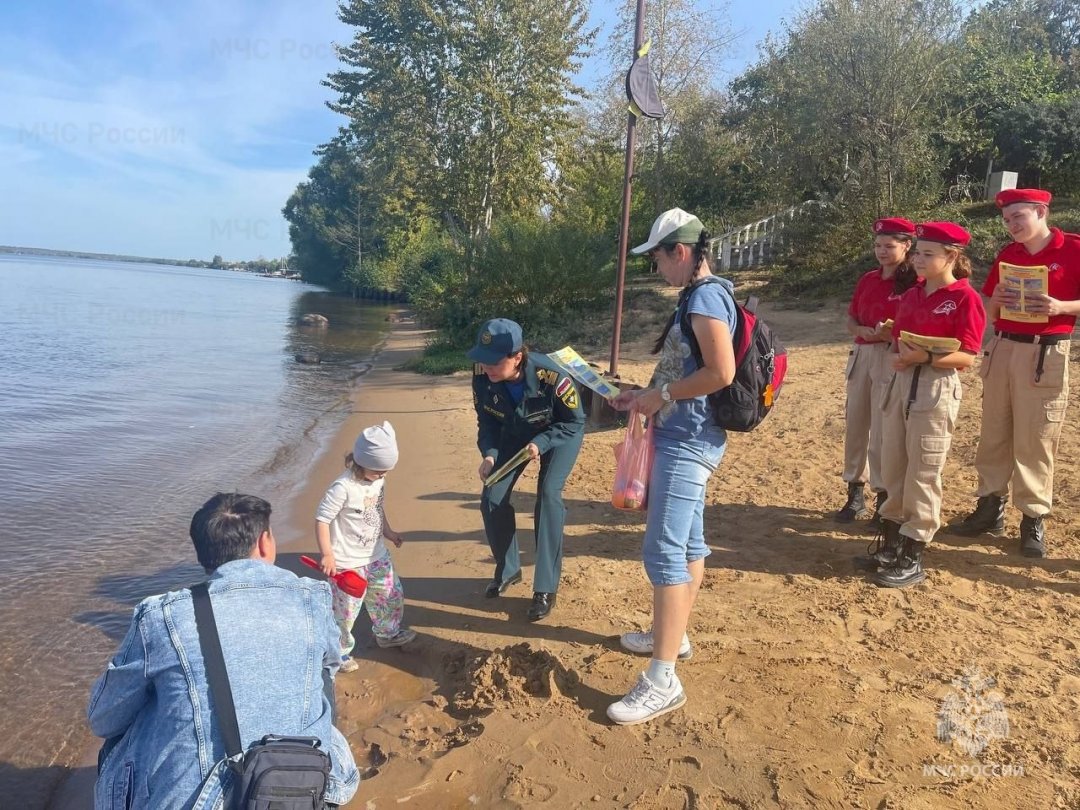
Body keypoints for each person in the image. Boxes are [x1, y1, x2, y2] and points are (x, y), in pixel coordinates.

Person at [88, 493, 359, 809]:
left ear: (204, 555)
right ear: (264, 543)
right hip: (307, 782)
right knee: (320, 676)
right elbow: (330, 668)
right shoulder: (314, 598)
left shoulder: (164, 615)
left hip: (199, 801)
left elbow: (103, 719)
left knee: (139, 709)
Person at [607, 208, 737, 725]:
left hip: (689, 441)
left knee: (662, 552)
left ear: (679, 252)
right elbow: (685, 370)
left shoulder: (705, 297)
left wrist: (659, 395)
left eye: (658, 258)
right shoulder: (699, 295)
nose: (656, 269)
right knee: (687, 546)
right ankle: (673, 635)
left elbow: (720, 372)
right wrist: (642, 396)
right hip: (684, 433)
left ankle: (662, 680)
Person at [948, 189, 1080, 557]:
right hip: (1003, 347)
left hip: (1045, 351)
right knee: (994, 433)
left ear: (1041, 211)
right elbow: (989, 309)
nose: (1012, 225)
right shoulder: (1009, 255)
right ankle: (990, 507)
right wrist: (997, 303)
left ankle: (1032, 517)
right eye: (1007, 220)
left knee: (1036, 437)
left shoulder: (1073, 249)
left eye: (1018, 217)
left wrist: (1061, 305)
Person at [858, 222, 986, 588]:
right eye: (918, 253)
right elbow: (898, 340)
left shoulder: (965, 298)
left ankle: (914, 552)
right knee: (894, 463)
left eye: (928, 254)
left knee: (924, 470)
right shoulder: (913, 294)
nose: (918, 260)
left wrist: (924, 358)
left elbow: (968, 356)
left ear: (952, 256)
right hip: (901, 383)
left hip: (933, 387)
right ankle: (892, 543)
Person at [468, 318, 585, 622]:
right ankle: (508, 570)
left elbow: (573, 422)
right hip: (515, 432)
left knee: (548, 496)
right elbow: (489, 422)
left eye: (493, 362)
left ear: (517, 357)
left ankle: (545, 588)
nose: (486, 367)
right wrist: (490, 456)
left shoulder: (553, 377)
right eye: (482, 359)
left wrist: (541, 443)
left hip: (558, 434)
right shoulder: (483, 376)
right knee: (492, 497)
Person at [836, 217, 919, 525]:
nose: (882, 252)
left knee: (885, 430)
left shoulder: (913, 283)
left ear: (907, 246)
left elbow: (916, 324)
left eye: (889, 246)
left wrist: (890, 334)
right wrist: (863, 330)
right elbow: (851, 319)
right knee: (856, 423)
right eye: (878, 246)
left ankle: (884, 494)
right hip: (863, 353)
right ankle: (854, 492)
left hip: (891, 355)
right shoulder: (868, 279)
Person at [316, 420, 416, 670]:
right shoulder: (343, 488)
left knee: (390, 594)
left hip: (376, 554)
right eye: (378, 471)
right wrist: (327, 554)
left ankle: (387, 633)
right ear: (360, 462)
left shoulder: (378, 480)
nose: (382, 476)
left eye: (386, 471)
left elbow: (376, 509)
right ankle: (339, 651)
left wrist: (389, 532)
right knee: (345, 611)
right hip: (347, 561)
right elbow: (322, 519)